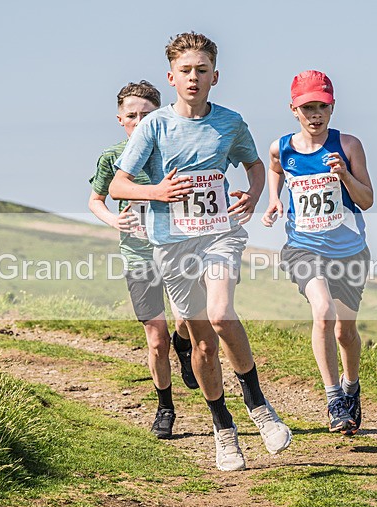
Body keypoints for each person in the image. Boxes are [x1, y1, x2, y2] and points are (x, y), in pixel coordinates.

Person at [109, 32, 292, 471]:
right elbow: (119, 184)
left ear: (215, 76)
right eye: (186, 71)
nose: (194, 78)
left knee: (220, 313)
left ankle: (259, 405)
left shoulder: (230, 123)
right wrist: (158, 191)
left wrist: (252, 192)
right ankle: (222, 428)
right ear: (172, 77)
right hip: (171, 244)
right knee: (204, 347)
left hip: (220, 234)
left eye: (202, 70)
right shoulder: (154, 125)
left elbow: (253, 163)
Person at [262, 70, 374, 436]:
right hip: (303, 248)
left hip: (350, 251)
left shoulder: (349, 145)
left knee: (345, 332)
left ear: (332, 107)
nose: (315, 115)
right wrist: (274, 200)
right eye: (307, 107)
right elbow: (276, 169)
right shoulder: (283, 147)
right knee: (322, 311)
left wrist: (344, 175)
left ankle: (351, 387)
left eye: (321, 107)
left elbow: (367, 200)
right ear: (293, 108)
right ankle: (333, 399)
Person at [88, 80, 198, 440]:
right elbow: (96, 200)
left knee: (186, 321)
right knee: (155, 339)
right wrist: (114, 219)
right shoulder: (112, 157)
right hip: (138, 255)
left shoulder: (174, 152)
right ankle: (165, 408)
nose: (138, 121)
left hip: (179, 250)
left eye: (146, 115)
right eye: (131, 115)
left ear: (159, 115)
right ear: (120, 119)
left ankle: (184, 345)